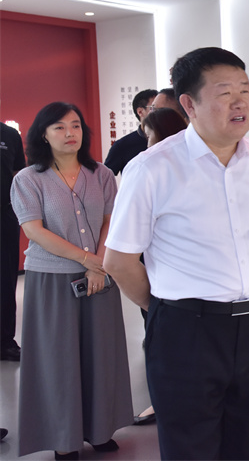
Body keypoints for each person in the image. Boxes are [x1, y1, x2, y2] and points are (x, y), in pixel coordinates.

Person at [103, 47, 249, 460]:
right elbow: (118, 261)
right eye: (225, 93)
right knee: (190, 449)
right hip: (185, 331)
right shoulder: (152, 168)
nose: (240, 102)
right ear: (189, 104)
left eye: (245, 90)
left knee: (246, 444)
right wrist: (171, 310)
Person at [11, 102, 132, 459]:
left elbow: (111, 222)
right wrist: (88, 261)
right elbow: (34, 231)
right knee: (57, 361)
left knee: (101, 356)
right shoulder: (28, 179)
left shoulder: (102, 175)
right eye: (60, 127)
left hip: (99, 279)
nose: (70, 134)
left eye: (76, 126)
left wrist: (97, 266)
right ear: (43, 135)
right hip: (51, 280)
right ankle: (64, 438)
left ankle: (99, 430)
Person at [131, 106, 188, 427]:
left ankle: (163, 404)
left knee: (169, 348)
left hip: (170, 286)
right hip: (166, 281)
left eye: (150, 137)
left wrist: (153, 305)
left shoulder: (157, 171)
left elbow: (118, 261)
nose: (147, 144)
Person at [1, 122, 26, 362]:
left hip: (4, 217)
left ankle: (5, 342)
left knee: (6, 281)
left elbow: (19, 173)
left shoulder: (9, 135)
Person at [104, 88, 157, 175]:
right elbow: (104, 178)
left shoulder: (169, 138)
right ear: (140, 112)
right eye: (154, 108)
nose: (160, 112)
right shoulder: (122, 146)